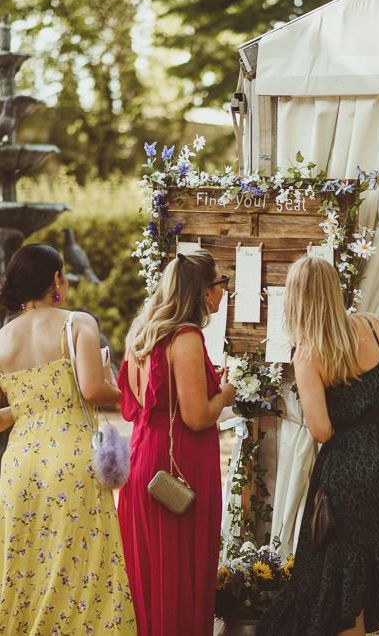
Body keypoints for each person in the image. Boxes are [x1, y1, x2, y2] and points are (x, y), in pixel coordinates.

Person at [257, 256, 379, 636]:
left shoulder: (309, 354)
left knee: (347, 579)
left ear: (296, 300)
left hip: (348, 465)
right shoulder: (374, 328)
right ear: (336, 290)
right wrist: (376, 402)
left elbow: (322, 431)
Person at [0, 244, 136, 632]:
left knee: (25, 568)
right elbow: (92, 390)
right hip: (70, 462)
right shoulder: (76, 322)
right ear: (56, 279)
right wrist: (120, 389)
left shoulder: (3, 338)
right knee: (84, 571)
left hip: (19, 468)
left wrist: (26, 409)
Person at [117, 250, 236, 636]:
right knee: (180, 568)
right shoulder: (185, 336)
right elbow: (197, 416)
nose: (224, 291)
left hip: (144, 458)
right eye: (222, 283)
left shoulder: (142, 332)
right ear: (203, 291)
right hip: (178, 463)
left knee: (151, 573)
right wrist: (227, 393)